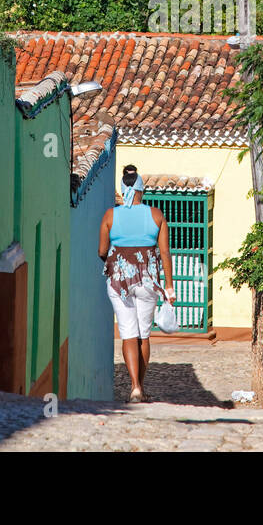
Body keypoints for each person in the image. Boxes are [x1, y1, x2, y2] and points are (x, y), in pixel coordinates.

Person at [99, 165, 174, 403]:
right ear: (142, 190)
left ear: (123, 190)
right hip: (148, 281)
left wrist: (117, 257)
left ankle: (134, 388)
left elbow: (101, 250)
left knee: (128, 334)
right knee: (144, 334)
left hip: (119, 281)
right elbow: (165, 253)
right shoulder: (156, 215)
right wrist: (169, 288)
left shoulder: (111, 215)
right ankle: (141, 386)